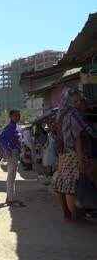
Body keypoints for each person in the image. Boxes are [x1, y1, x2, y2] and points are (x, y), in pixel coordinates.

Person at [52, 87, 97, 221]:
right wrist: (81, 159)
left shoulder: (60, 115)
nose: (78, 103)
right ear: (69, 101)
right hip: (74, 154)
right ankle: (74, 215)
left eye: (79, 100)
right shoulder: (74, 115)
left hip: (63, 155)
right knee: (71, 186)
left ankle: (68, 213)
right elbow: (77, 137)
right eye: (75, 100)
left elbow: (59, 137)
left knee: (62, 184)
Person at [0, 109, 24, 207]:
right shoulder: (10, 127)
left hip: (16, 153)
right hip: (12, 153)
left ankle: (9, 197)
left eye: (18, 115)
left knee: (11, 176)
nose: (17, 117)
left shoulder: (17, 127)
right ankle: (11, 200)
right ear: (11, 117)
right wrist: (7, 148)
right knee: (11, 177)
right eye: (15, 116)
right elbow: (1, 137)